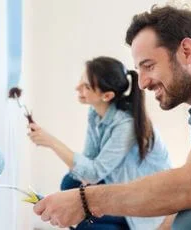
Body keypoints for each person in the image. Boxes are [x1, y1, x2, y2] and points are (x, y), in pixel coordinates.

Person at [32, 5, 191, 230]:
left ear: (187, 51)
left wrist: (86, 200)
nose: (143, 82)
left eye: (149, 66)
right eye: (139, 69)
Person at [27, 56, 172, 229]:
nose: (77, 88)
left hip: (141, 201)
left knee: (85, 221)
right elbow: (89, 159)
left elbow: (93, 173)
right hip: (117, 182)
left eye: (86, 86)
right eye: (82, 80)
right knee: (70, 183)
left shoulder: (126, 126)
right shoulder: (95, 113)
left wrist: (51, 142)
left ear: (107, 95)